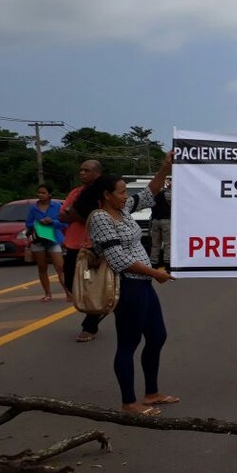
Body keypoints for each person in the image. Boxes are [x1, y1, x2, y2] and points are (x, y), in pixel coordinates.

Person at [74, 153, 177, 415]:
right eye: (120, 192)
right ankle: (129, 402)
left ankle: (151, 392)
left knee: (157, 336)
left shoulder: (123, 209)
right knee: (128, 344)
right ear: (106, 195)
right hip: (128, 286)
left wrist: (165, 167)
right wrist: (156, 273)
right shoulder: (100, 218)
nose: (125, 196)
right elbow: (118, 259)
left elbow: (148, 193)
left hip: (143, 284)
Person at [59, 159, 105, 342]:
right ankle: (94, 313)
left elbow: (96, 218)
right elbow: (62, 215)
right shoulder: (76, 192)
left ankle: (90, 325)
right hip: (73, 245)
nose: (82, 173)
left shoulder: (104, 194)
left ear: (97, 173)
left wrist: (75, 215)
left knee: (93, 286)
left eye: (86, 170)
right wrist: (79, 215)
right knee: (70, 283)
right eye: (81, 170)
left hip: (94, 246)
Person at [26, 184, 70, 302]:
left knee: (60, 267)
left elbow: (64, 223)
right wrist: (38, 223)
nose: (40, 195)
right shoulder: (33, 208)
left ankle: (68, 293)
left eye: (43, 192)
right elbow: (28, 223)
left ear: (49, 194)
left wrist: (52, 222)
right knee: (42, 267)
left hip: (54, 239)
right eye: (39, 192)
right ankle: (47, 294)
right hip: (39, 239)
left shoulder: (57, 206)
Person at [150, 178, 172, 270]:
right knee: (168, 243)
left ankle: (153, 262)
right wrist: (171, 187)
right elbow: (174, 200)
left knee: (155, 243)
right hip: (166, 220)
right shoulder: (166, 194)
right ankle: (167, 262)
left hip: (155, 220)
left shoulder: (152, 194)